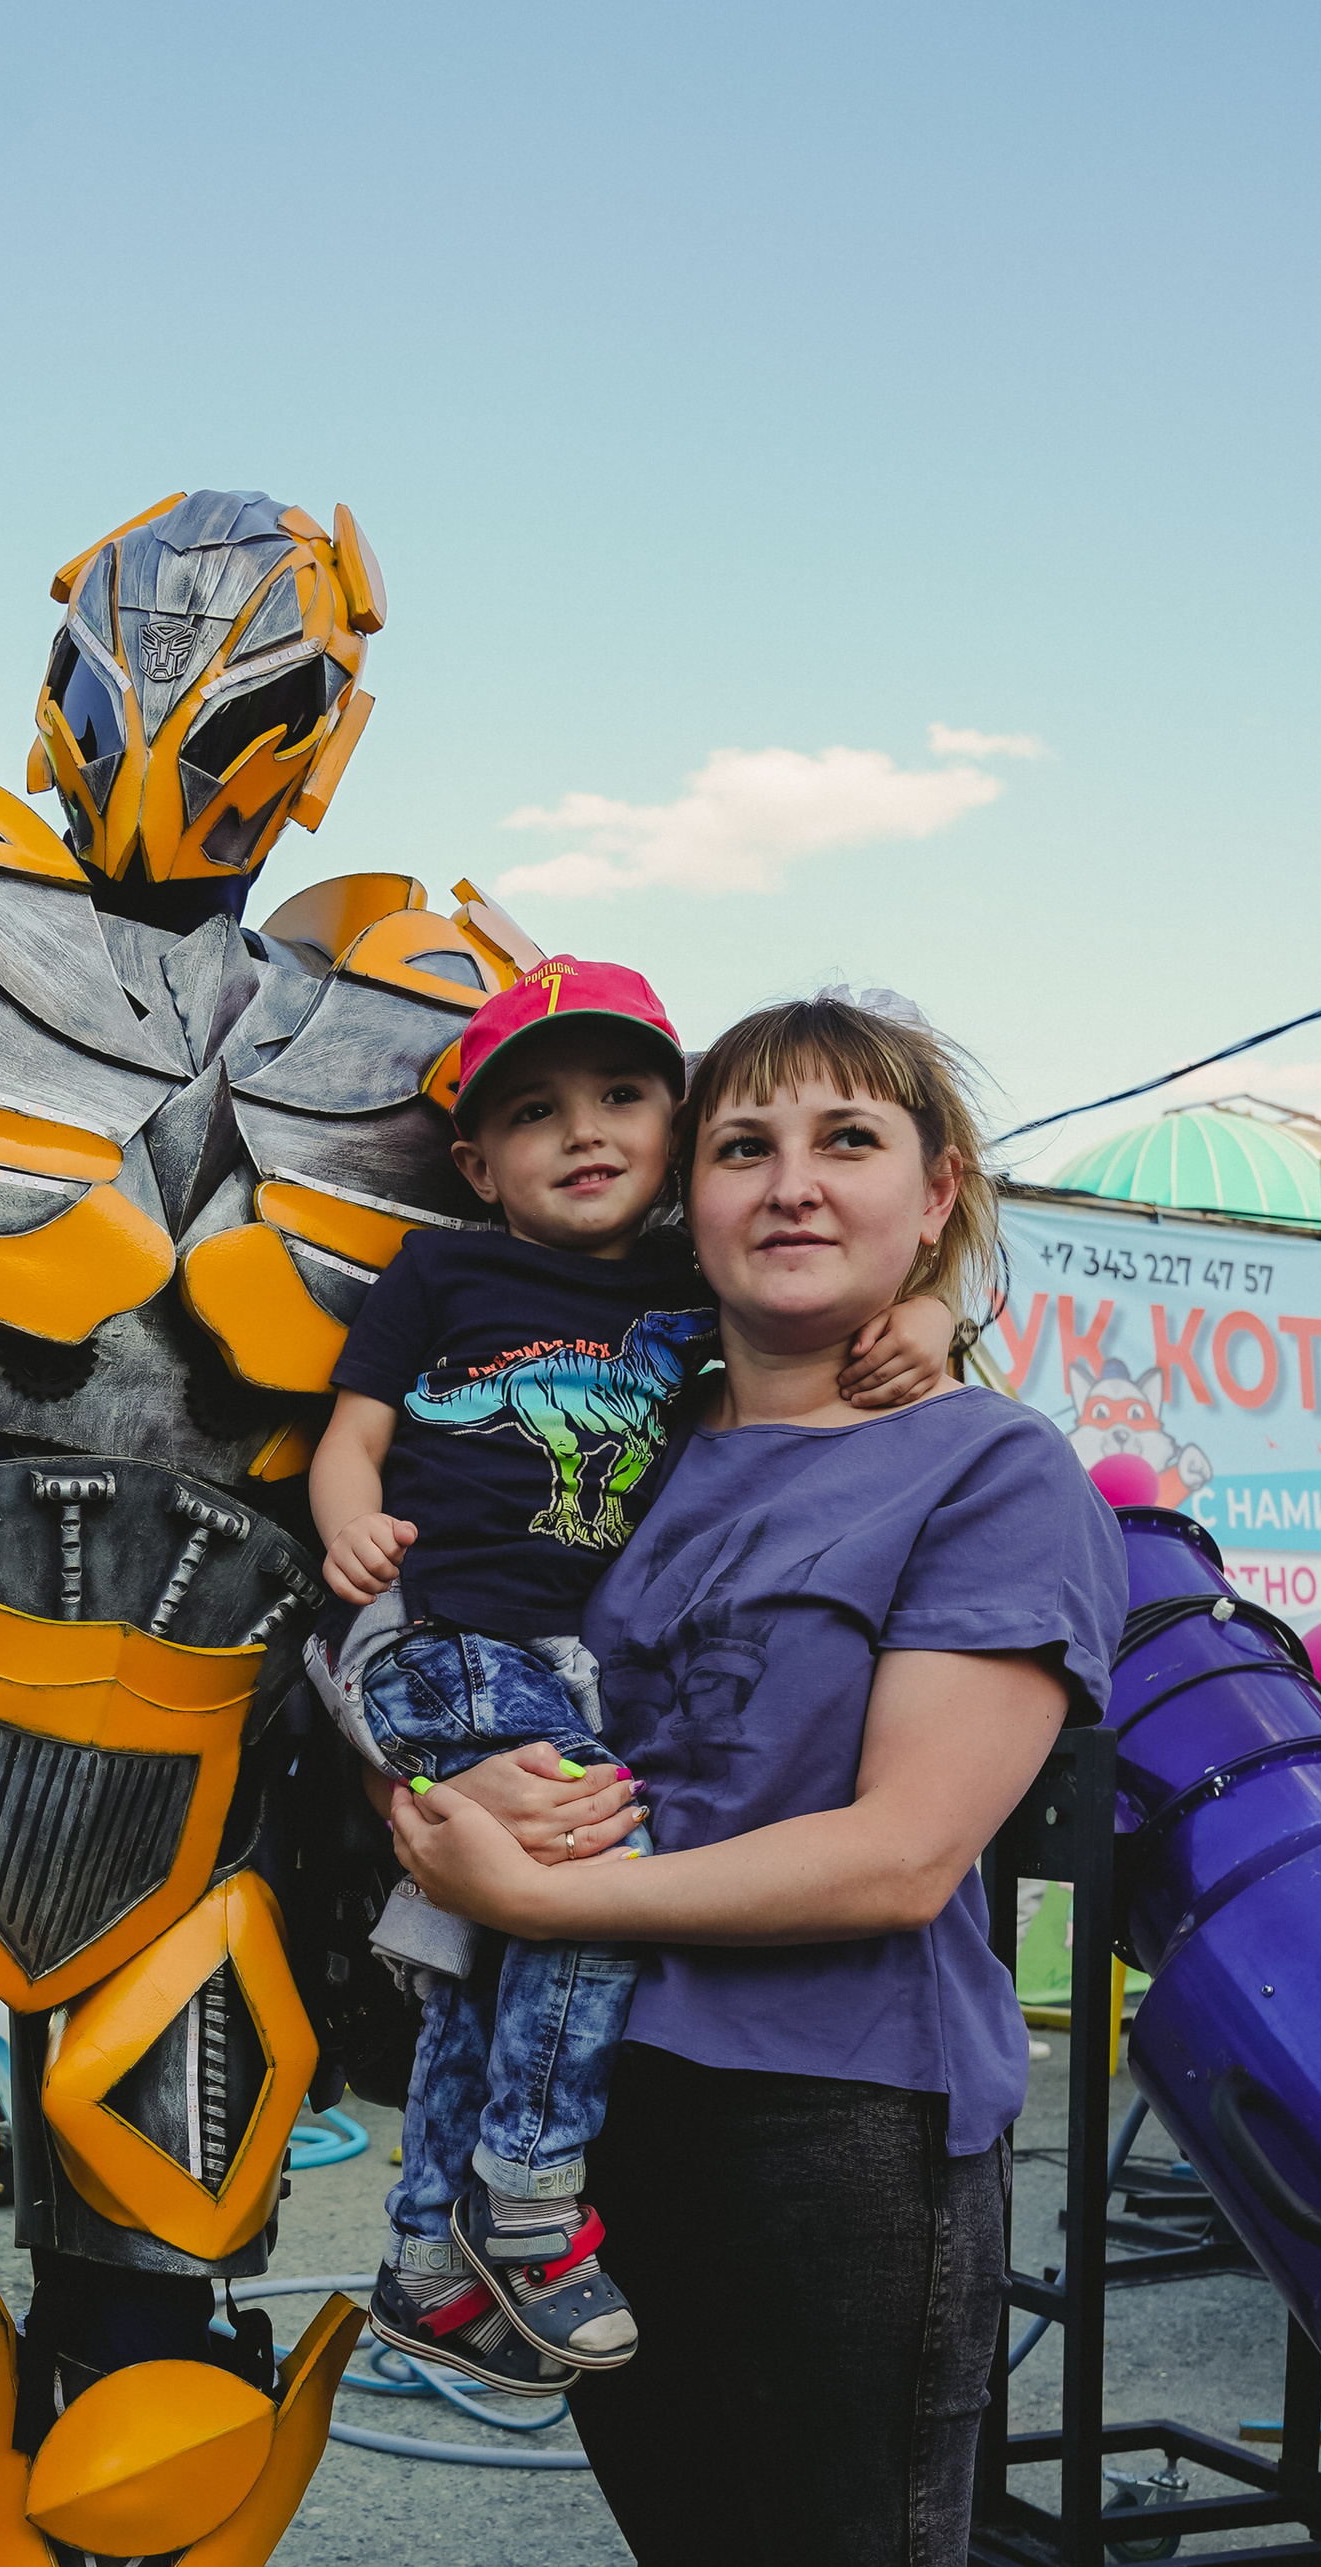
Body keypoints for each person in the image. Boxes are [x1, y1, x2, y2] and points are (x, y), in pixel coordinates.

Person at [387, 990, 1128, 2567]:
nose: (784, 1176)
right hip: (621, 2138)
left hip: (845, 2146)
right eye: (739, 1142)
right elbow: (456, 1626)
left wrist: (548, 1891)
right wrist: (450, 1792)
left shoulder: (990, 1468)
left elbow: (905, 1852)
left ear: (941, 1194)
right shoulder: (646, 1451)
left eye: (850, 1138)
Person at [311, 960, 953, 2394]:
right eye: (536, 1114)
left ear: (675, 1123)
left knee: (497, 1942)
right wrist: (351, 1518)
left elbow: (855, 1305)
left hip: (570, 1658)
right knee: (596, 1845)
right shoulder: (445, 1271)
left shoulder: (698, 1278)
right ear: (478, 1165)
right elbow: (353, 1432)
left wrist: (931, 1321)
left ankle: (427, 2259)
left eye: (620, 1096)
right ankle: (527, 2200)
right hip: (450, 1640)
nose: (584, 1131)